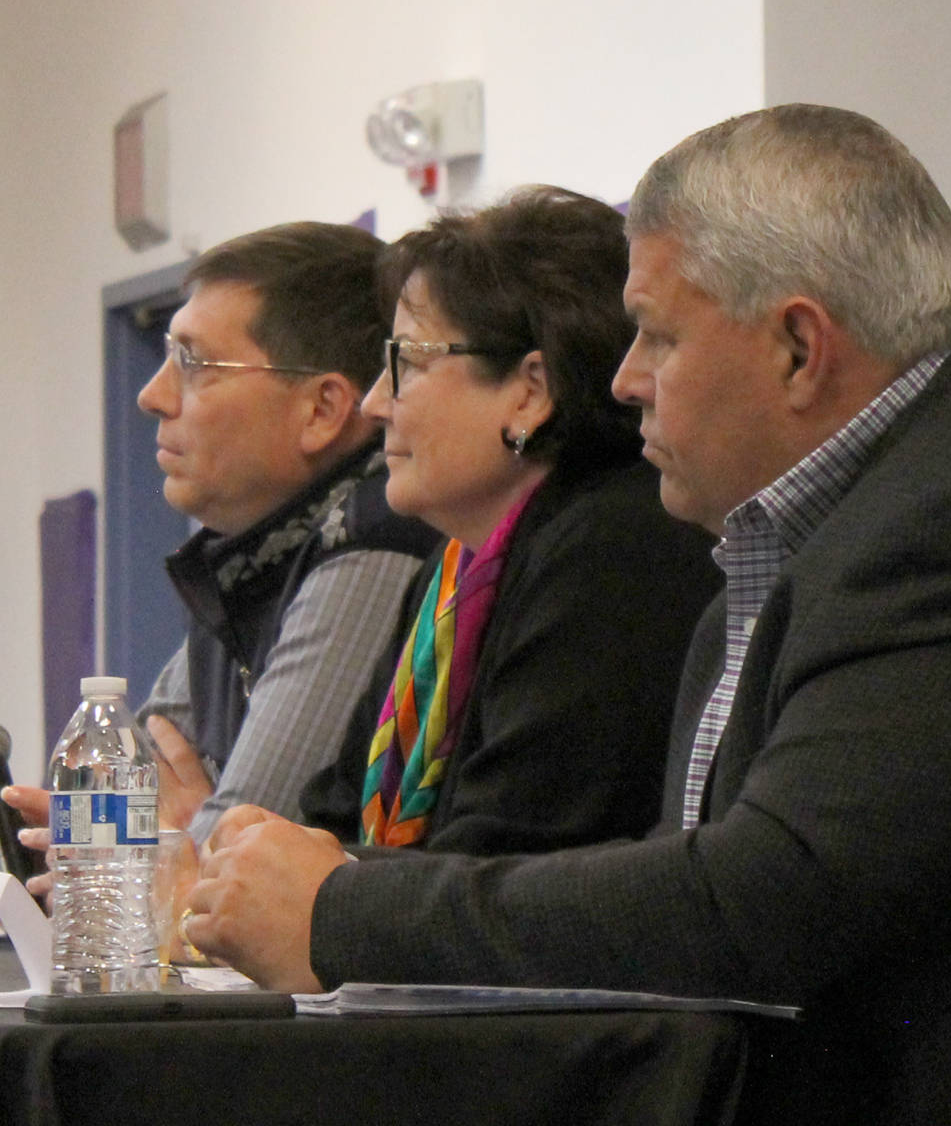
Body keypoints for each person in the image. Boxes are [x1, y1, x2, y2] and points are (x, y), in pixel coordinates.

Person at [204, 107, 951, 1121]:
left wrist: (349, 907)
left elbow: (759, 904)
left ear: (800, 345)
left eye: (658, 333)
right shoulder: (788, 560)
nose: (624, 378)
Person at [0, 222, 439, 873]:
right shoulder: (249, 556)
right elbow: (131, 807)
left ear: (322, 410)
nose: (152, 396)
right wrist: (36, 852)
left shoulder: (373, 541)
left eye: (194, 363)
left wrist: (156, 847)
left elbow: (233, 867)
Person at [293, 184, 722, 855]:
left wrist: (308, 889)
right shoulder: (456, 565)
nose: (376, 403)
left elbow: (504, 856)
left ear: (530, 391)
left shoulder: (613, 551)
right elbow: (335, 811)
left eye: (407, 362)